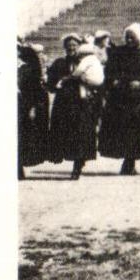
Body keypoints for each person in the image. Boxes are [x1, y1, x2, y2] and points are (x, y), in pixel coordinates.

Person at [98, 22, 140, 175]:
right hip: (121, 99)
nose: (129, 40)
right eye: (127, 37)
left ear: (138, 38)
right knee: (122, 131)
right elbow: (109, 72)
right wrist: (114, 82)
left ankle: (130, 161)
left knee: (137, 131)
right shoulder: (118, 53)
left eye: (132, 37)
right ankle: (127, 160)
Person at [47, 38, 104, 179]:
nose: (72, 48)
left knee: (81, 135)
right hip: (65, 104)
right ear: (65, 48)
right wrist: (56, 84)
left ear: (79, 47)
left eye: (74, 45)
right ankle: (75, 161)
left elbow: (98, 81)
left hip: (83, 104)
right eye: (69, 46)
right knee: (67, 135)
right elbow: (51, 84)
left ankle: (77, 167)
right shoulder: (59, 63)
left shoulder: (88, 61)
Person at [18, 40, 50, 179]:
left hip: (23, 104)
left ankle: (19, 167)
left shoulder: (27, 66)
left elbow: (33, 88)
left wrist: (32, 107)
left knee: (22, 135)